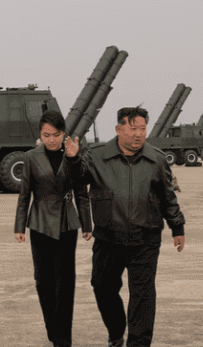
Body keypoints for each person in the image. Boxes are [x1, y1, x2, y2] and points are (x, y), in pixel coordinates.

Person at [64, 106, 186, 347]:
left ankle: (138, 343)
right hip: (108, 238)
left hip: (146, 238)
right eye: (132, 129)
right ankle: (116, 330)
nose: (138, 134)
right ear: (118, 129)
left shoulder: (157, 159)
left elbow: (168, 196)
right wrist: (73, 158)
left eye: (142, 128)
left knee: (143, 295)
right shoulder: (97, 156)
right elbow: (76, 177)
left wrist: (177, 227)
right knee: (102, 287)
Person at [14, 110, 92, 347]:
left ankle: (62, 338)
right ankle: (52, 327)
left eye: (56, 135)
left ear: (63, 133)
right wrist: (19, 226)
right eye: (46, 135)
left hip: (67, 224)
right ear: (40, 134)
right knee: (43, 281)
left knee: (64, 283)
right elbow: (24, 194)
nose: (51, 140)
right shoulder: (31, 157)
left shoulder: (73, 155)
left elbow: (81, 191)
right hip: (39, 224)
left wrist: (86, 223)